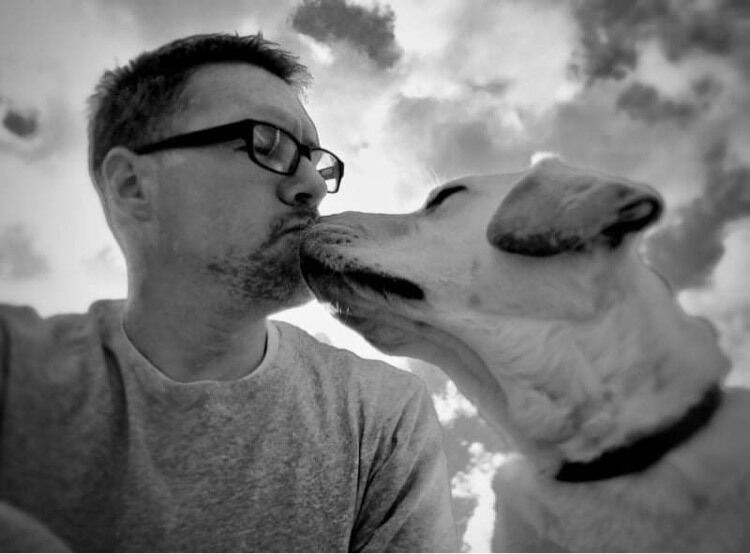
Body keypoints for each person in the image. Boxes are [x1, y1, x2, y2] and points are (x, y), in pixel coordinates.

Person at [0, 33, 457, 552]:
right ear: (132, 185)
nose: (313, 185)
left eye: (316, 161)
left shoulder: (379, 416)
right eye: (268, 143)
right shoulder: (16, 370)